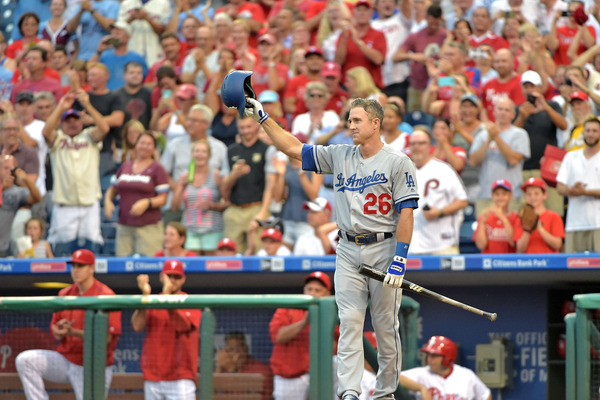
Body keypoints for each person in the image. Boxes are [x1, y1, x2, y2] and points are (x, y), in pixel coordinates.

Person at [241, 93, 418, 400]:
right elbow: (292, 148)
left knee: (385, 326)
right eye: (349, 119)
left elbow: (406, 212)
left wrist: (400, 258)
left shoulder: (398, 162)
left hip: (384, 247)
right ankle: (349, 392)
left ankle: (386, 393)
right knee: (349, 321)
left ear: (376, 124)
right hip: (347, 247)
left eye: (357, 120)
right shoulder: (340, 154)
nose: (351, 125)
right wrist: (262, 117)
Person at [15, 249, 122, 400]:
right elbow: (54, 328)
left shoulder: (106, 295)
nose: (76, 270)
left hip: (93, 366)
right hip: (65, 360)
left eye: (81, 266)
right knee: (25, 360)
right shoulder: (65, 294)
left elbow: (107, 338)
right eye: (74, 266)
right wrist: (59, 330)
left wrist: (74, 332)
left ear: (92, 268)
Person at [42, 91, 109, 256]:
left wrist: (88, 105)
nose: (72, 124)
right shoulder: (58, 140)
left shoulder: (89, 137)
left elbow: (104, 128)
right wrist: (60, 107)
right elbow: (46, 132)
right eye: (68, 121)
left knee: (91, 247)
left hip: (89, 203)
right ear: (63, 124)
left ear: (81, 122)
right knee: (62, 248)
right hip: (65, 205)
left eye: (75, 120)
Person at [132, 259, 201, 400]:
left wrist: (167, 298)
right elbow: (137, 326)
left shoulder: (191, 301)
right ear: (162, 277)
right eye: (169, 276)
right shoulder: (153, 300)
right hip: (153, 376)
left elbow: (182, 326)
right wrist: (145, 298)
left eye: (177, 277)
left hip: (181, 377)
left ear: (183, 280)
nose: (173, 280)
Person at [104, 132, 170, 256]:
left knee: (148, 266)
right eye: (142, 143)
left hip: (148, 227)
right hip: (124, 226)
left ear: (154, 148)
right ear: (136, 145)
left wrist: (147, 202)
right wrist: (108, 201)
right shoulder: (125, 166)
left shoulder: (157, 168)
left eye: (149, 144)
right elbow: (113, 188)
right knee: (122, 266)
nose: (145, 146)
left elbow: (163, 198)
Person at [269, 271, 332, 400]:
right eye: (309, 289)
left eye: (317, 290)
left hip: (320, 377)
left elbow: (337, 346)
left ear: (327, 294)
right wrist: (304, 322)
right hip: (291, 378)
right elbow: (278, 336)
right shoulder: (288, 308)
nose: (312, 293)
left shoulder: (332, 313)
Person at [408, 129, 468, 255]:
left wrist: (439, 212)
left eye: (421, 143)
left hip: (442, 244)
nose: (416, 147)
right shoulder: (405, 172)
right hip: (412, 245)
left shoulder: (443, 169)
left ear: (430, 146)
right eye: (413, 144)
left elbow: (462, 200)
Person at [222, 117, 276, 254]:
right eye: (242, 128)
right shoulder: (231, 151)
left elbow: (271, 185)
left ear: (257, 126)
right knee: (231, 256)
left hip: (256, 207)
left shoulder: (267, 150)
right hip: (235, 209)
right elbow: (224, 189)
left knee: (259, 253)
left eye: (248, 127)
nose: (245, 131)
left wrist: (263, 212)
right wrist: (234, 175)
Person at [468, 97, 530, 216]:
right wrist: (488, 140)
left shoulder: (519, 134)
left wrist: (496, 138)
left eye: (507, 110)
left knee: (509, 232)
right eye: (500, 109)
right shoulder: (483, 135)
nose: (503, 113)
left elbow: (513, 160)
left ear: (513, 114)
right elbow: (473, 161)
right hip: (486, 195)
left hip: (511, 196)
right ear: (494, 112)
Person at [172, 139, 226, 255]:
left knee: (212, 266)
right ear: (192, 154)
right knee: (192, 265)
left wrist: (211, 205)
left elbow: (228, 203)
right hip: (190, 230)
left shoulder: (216, 175)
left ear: (209, 155)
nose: (199, 154)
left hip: (213, 229)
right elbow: (174, 206)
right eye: (197, 151)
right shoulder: (184, 177)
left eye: (203, 151)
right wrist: (181, 187)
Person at [400, 336, 492, 400]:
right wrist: (421, 388)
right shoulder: (422, 374)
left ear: (447, 359)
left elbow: (485, 395)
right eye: (428, 355)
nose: (429, 359)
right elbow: (396, 377)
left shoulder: (466, 376)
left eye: (434, 356)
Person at [556, 117, 600, 252]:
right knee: (573, 268)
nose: (590, 134)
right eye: (587, 130)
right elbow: (560, 187)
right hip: (574, 223)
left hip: (597, 223)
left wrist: (584, 192)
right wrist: (571, 191)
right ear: (583, 133)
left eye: (595, 131)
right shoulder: (570, 157)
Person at [0, 155, 42, 257]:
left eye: (12, 169)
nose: (9, 172)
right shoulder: (5, 188)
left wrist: (27, 180)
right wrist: (2, 188)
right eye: (6, 168)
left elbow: (37, 198)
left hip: (3, 247)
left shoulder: (16, 192)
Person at [215, 331, 274, 400]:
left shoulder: (262, 369)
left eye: (239, 348)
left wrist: (232, 371)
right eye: (231, 349)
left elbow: (244, 395)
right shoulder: (224, 370)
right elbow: (209, 394)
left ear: (246, 348)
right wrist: (219, 366)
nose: (236, 353)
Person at [515, 177, 565, 253]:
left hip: (549, 262)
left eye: (536, 193)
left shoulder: (554, 216)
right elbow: (520, 249)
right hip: (528, 262)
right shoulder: (520, 218)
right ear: (525, 196)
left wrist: (540, 228)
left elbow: (558, 245)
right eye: (529, 194)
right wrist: (527, 230)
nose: (532, 197)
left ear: (544, 195)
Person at [473, 179, 521, 253]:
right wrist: (482, 222)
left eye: (504, 194)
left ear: (510, 196)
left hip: (509, 261)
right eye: (497, 194)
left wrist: (502, 218)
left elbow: (513, 243)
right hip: (489, 261)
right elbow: (481, 245)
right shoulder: (485, 216)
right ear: (492, 196)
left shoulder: (516, 217)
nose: (500, 197)